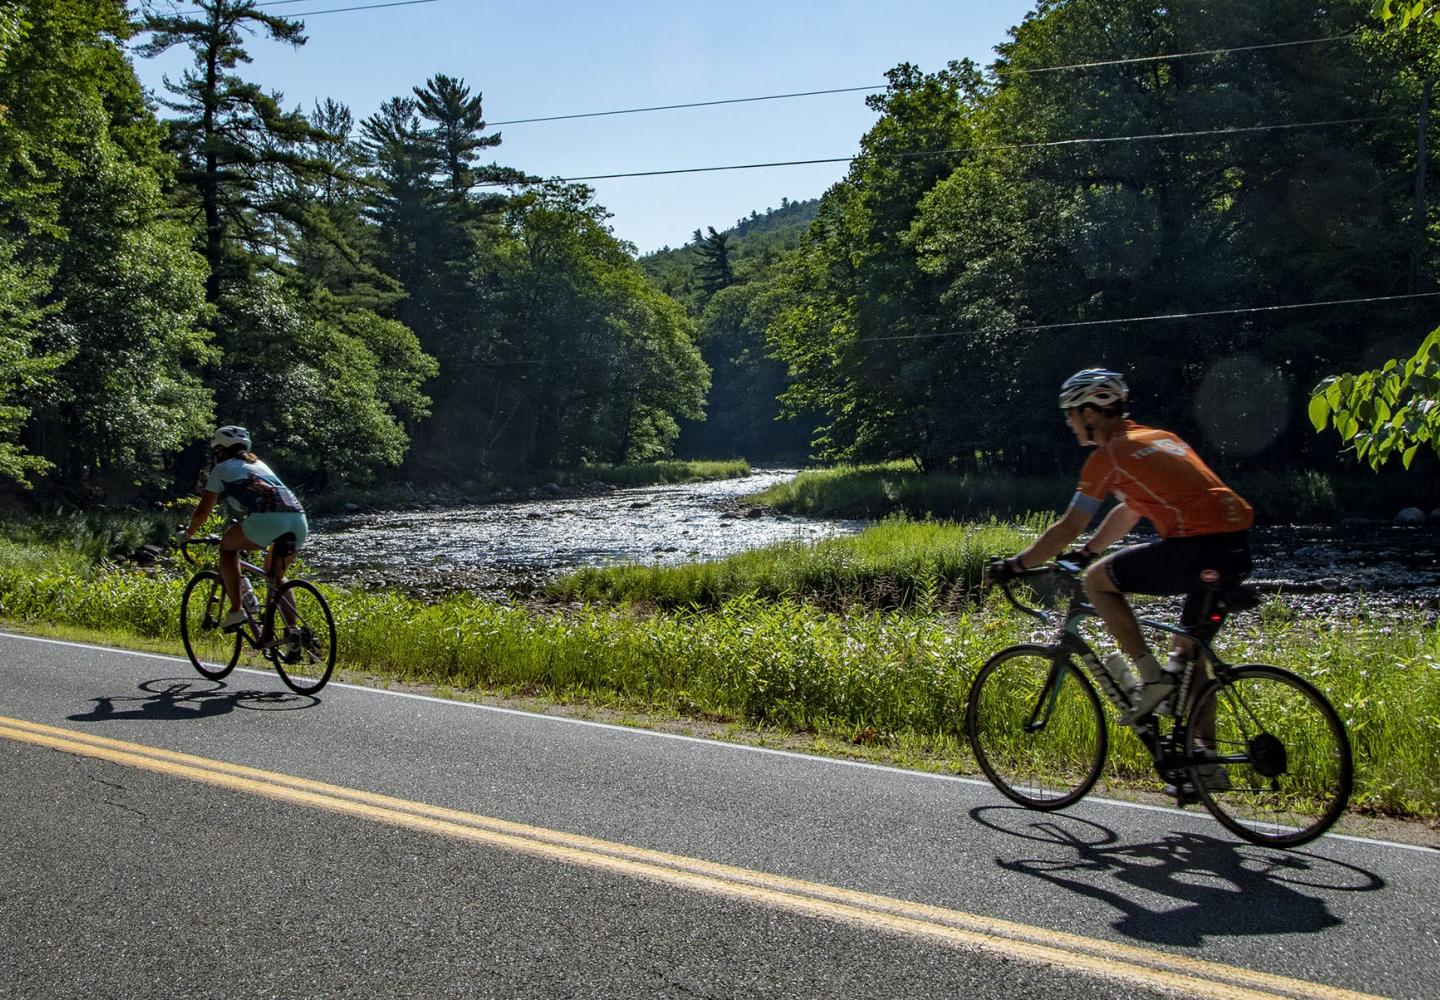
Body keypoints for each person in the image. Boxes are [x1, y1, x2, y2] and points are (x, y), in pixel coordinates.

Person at [986, 370, 1254, 735]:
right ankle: (1204, 766)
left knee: (1097, 582)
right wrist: (1087, 551)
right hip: (1236, 546)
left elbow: (1068, 525)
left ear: (1091, 413)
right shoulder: (1160, 437)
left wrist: (1016, 565)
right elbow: (1131, 509)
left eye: (1071, 412)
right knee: (1186, 657)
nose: (1069, 421)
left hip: (1196, 547)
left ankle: (1148, 676)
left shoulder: (1109, 456)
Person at [176, 426, 308, 632]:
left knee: (227, 547)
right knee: (275, 577)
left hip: (268, 519)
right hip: (299, 519)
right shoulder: (260, 464)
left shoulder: (221, 469)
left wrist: (188, 534)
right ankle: (293, 634)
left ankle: (237, 610)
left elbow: (203, 511)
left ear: (220, 450)